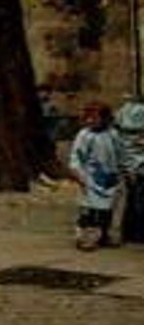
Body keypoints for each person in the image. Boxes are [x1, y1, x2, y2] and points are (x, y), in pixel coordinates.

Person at [68, 104, 125, 250]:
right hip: (90, 177)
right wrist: (77, 171)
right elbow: (77, 154)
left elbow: (120, 153)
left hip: (110, 178)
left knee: (106, 209)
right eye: (87, 118)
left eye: (94, 118)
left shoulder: (113, 134)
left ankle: (103, 234)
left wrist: (124, 169)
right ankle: (85, 238)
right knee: (90, 210)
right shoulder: (85, 135)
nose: (90, 121)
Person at [114, 99, 144, 244]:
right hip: (130, 165)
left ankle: (134, 233)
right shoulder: (128, 112)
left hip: (134, 164)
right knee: (131, 200)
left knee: (135, 200)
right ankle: (133, 233)